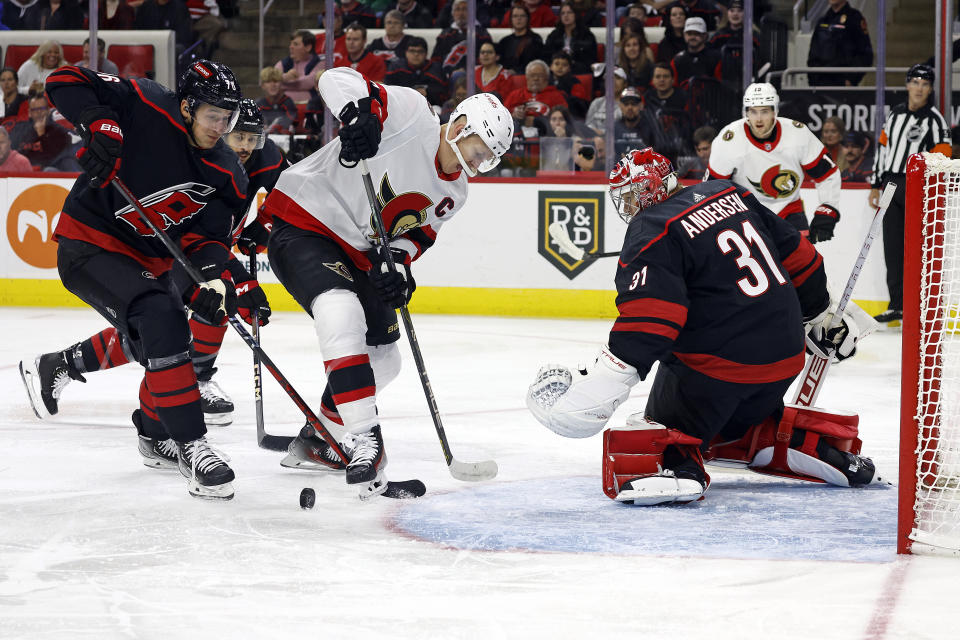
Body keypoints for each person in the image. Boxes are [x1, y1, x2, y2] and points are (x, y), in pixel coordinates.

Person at [526, 147, 882, 505]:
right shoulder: (728, 191)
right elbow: (800, 255)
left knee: (665, 423)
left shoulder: (651, 228)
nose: (630, 207)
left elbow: (651, 319)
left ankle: (678, 467)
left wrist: (606, 378)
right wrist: (819, 313)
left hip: (721, 373)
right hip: (785, 361)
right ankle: (781, 443)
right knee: (738, 418)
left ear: (654, 187)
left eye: (634, 195)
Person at [259, 67, 513, 497]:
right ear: (462, 125)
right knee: (340, 310)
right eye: (480, 148)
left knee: (385, 358)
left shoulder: (457, 193)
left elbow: (417, 235)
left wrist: (397, 264)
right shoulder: (413, 114)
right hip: (305, 219)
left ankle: (320, 437)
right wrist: (357, 114)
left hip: (359, 250)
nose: (479, 161)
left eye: (489, 157)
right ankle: (366, 439)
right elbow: (335, 78)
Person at [23, 60, 251, 500]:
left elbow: (208, 240)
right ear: (187, 107)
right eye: (212, 115)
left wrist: (208, 279)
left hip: (151, 262)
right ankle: (191, 444)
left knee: (163, 333)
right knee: (160, 316)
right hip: (89, 244)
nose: (221, 128)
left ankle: (152, 433)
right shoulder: (145, 103)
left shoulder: (226, 173)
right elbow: (64, 80)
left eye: (229, 117)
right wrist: (102, 124)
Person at [19, 99, 281, 430]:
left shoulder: (266, 158)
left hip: (204, 247)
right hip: (169, 245)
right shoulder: (199, 158)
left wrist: (266, 225)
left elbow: (291, 194)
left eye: (252, 138)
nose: (244, 146)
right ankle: (191, 384)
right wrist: (239, 276)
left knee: (193, 315)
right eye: (237, 136)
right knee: (174, 318)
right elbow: (191, 236)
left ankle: (63, 363)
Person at [707, 83, 841, 243]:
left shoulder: (797, 134)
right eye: (753, 111)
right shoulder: (729, 140)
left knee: (803, 266)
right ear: (745, 112)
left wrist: (827, 210)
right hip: (747, 214)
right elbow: (711, 189)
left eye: (764, 111)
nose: (758, 118)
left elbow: (828, 174)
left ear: (774, 111)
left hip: (790, 211)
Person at [870, 64, 952, 324]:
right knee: (892, 247)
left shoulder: (935, 120)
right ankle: (897, 305)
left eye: (925, 84)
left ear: (930, 89)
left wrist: (932, 188)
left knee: (919, 248)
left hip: (918, 186)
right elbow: (883, 147)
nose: (919, 88)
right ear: (907, 85)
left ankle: (921, 308)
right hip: (890, 184)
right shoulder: (894, 114)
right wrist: (875, 183)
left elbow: (944, 156)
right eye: (915, 82)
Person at [807, 0, 873, 87]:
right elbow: (813, 55)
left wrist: (850, 80)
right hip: (820, 84)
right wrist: (813, 79)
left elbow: (866, 55)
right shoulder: (823, 21)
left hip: (842, 85)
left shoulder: (854, 18)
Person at [10, 94, 76, 171]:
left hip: (47, 175)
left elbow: (52, 159)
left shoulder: (59, 132)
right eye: (35, 109)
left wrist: (41, 135)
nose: (39, 112)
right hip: (21, 172)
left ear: (48, 111)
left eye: (42, 108)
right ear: (29, 113)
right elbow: (12, 154)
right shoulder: (19, 130)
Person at [385, 37, 449, 107]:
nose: (416, 54)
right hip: (401, 106)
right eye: (412, 51)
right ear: (406, 53)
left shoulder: (436, 69)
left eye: (420, 51)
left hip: (431, 107)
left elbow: (445, 94)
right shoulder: (395, 68)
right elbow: (388, 93)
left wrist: (427, 92)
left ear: (426, 54)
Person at [432, 0, 492, 74]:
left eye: (465, 9)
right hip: (448, 75)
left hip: (476, 74)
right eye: (457, 9)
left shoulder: (482, 34)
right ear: (453, 13)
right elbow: (436, 59)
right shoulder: (444, 35)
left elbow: (488, 58)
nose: (461, 13)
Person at [503, 60, 568, 121]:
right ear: (527, 77)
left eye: (540, 75)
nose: (536, 78)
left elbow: (565, 119)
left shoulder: (556, 96)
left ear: (547, 78)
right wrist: (513, 115)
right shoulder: (515, 95)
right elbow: (501, 117)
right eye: (532, 75)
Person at [544, 1, 597, 75]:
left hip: (578, 71)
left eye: (569, 12)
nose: (566, 16)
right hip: (556, 72)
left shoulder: (586, 35)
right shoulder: (554, 35)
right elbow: (547, 56)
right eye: (563, 13)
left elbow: (589, 60)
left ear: (576, 14)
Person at [671, 17, 721, 86]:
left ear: (705, 36)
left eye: (697, 34)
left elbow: (721, 86)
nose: (692, 37)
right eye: (689, 34)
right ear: (684, 35)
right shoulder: (677, 59)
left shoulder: (716, 57)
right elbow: (674, 86)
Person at [276, 30, 323, 103]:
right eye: (291, 44)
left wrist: (282, 82)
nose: (290, 47)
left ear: (308, 47)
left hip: (309, 108)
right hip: (283, 107)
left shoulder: (320, 63)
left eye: (295, 44)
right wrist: (285, 77)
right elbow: (272, 80)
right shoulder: (282, 63)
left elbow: (309, 83)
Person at [497, 4, 545, 75]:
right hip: (505, 78)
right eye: (515, 16)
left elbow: (536, 63)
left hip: (528, 76)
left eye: (522, 16)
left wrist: (516, 71)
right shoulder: (504, 41)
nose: (519, 19)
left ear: (527, 18)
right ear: (511, 19)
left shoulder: (535, 39)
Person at [585, 66, 625, 135]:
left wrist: (602, 133)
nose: (613, 81)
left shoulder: (628, 105)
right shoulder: (596, 102)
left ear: (625, 84)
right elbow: (587, 126)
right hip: (594, 141)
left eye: (618, 78)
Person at [548, 51, 589, 119]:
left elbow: (579, 105)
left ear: (569, 68)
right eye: (557, 64)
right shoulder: (545, 81)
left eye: (564, 65)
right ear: (551, 67)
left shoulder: (575, 83)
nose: (560, 67)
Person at [612, 86, 651, 158]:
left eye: (633, 104)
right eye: (626, 104)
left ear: (641, 106)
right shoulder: (614, 128)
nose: (629, 107)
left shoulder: (650, 127)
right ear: (620, 106)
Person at [257, 66, 298, 133]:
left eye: (276, 81)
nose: (273, 85)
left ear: (281, 84)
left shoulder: (288, 102)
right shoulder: (258, 104)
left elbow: (290, 123)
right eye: (268, 81)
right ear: (262, 86)